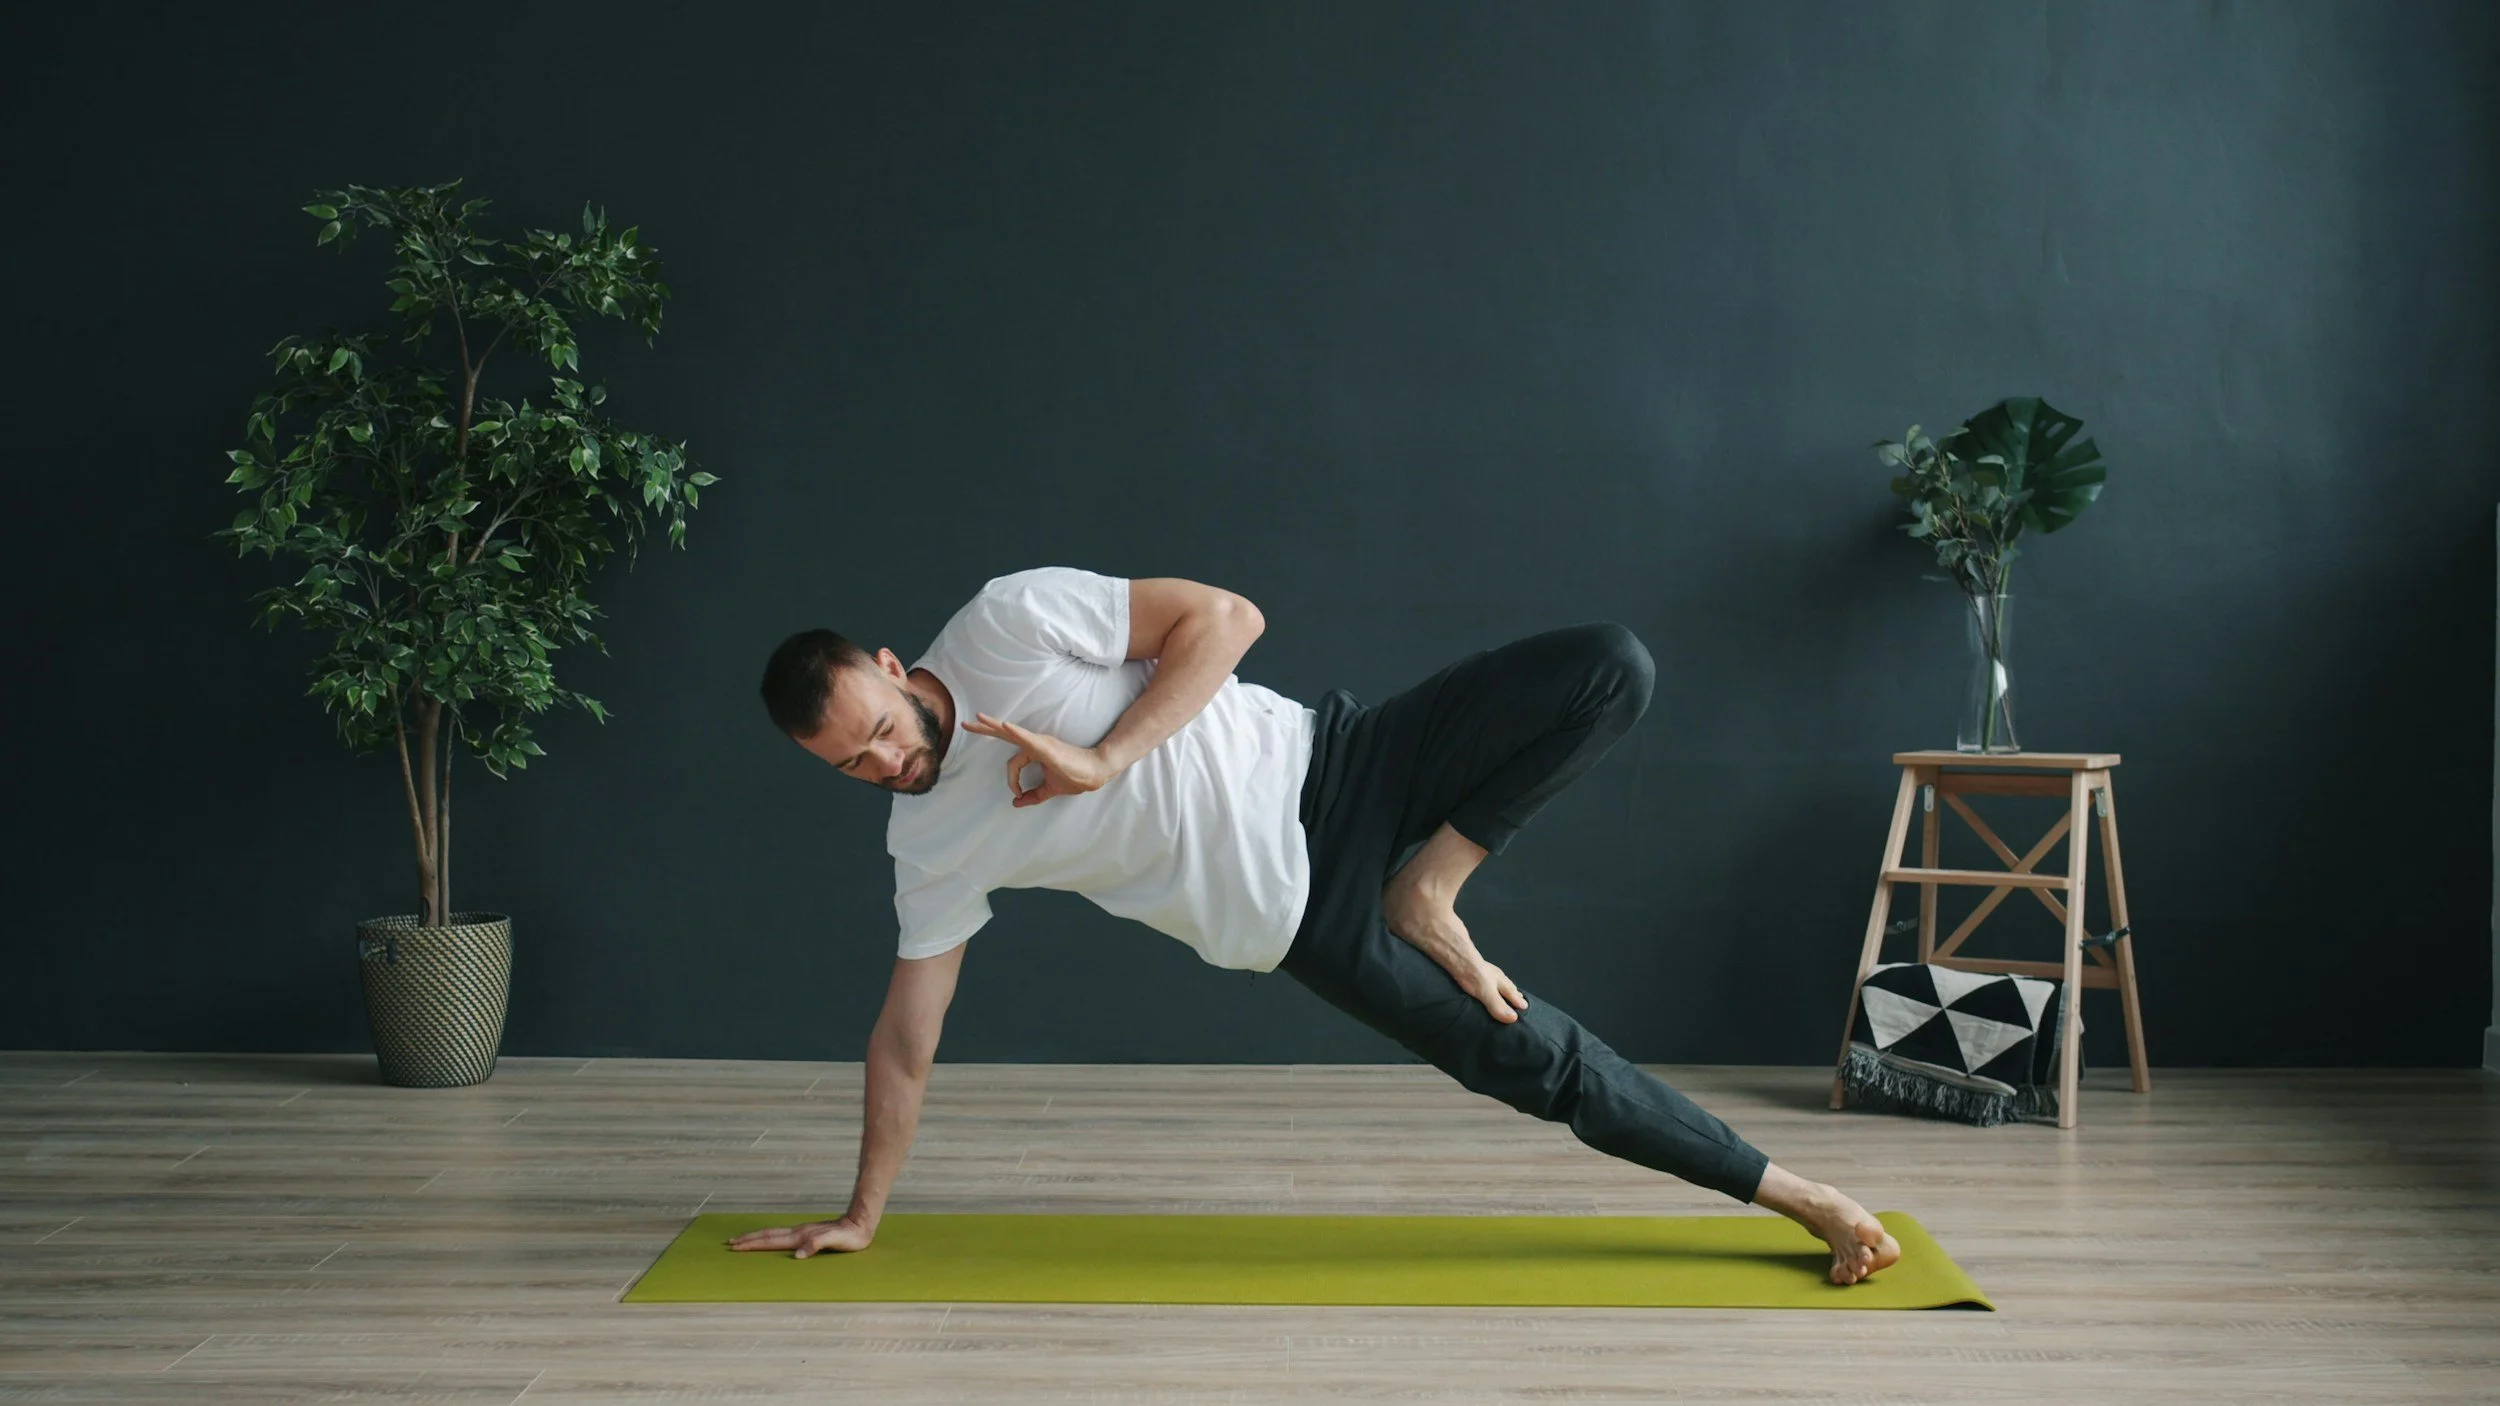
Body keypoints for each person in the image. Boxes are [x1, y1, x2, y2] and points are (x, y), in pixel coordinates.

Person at [735, 567, 1900, 1285]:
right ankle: (1808, 1198)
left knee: (1607, 668)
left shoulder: (1007, 622)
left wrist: (1103, 756)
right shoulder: (928, 843)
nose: (890, 761)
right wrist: (862, 1211)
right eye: (853, 764)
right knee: (1531, 1060)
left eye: (882, 725)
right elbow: (907, 1034)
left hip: (1342, 752)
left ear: (895, 666)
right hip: (1301, 912)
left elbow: (1227, 618)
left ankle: (1432, 884)